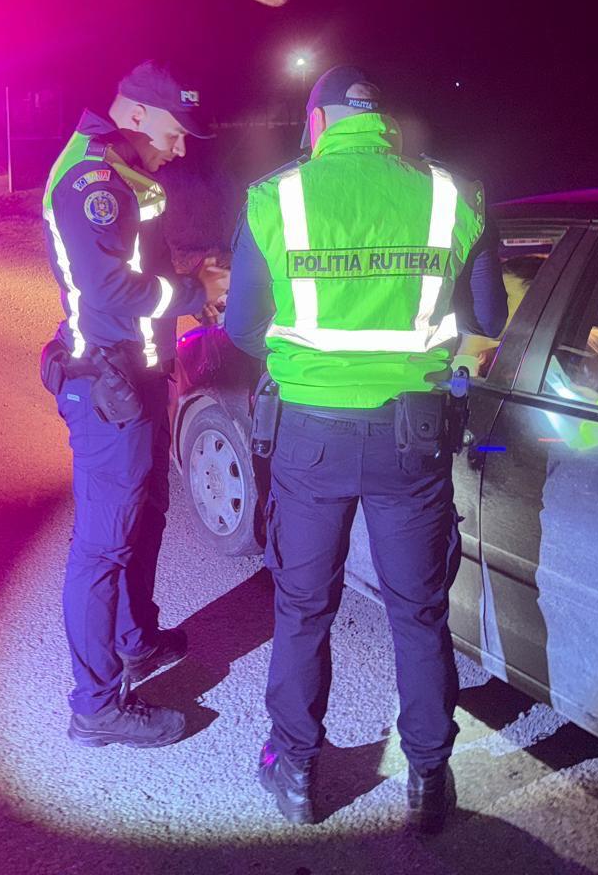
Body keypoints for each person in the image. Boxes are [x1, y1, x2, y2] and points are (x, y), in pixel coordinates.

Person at [223, 65, 506, 830]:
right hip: (412, 438)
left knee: (303, 606)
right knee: (418, 612)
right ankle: (428, 779)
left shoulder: (276, 198)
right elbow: (487, 320)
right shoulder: (452, 194)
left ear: (318, 124)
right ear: (387, 125)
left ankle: (295, 771)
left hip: (311, 436)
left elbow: (241, 325)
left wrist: (307, 357)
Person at [39, 60, 230, 748]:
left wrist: (187, 274)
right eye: (175, 132)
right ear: (137, 115)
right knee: (102, 548)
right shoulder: (92, 181)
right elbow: (111, 290)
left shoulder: (125, 174)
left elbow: (137, 268)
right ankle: (95, 706)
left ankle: (135, 640)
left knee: (146, 518)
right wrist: (194, 293)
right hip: (106, 388)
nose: (180, 148)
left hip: (137, 377)